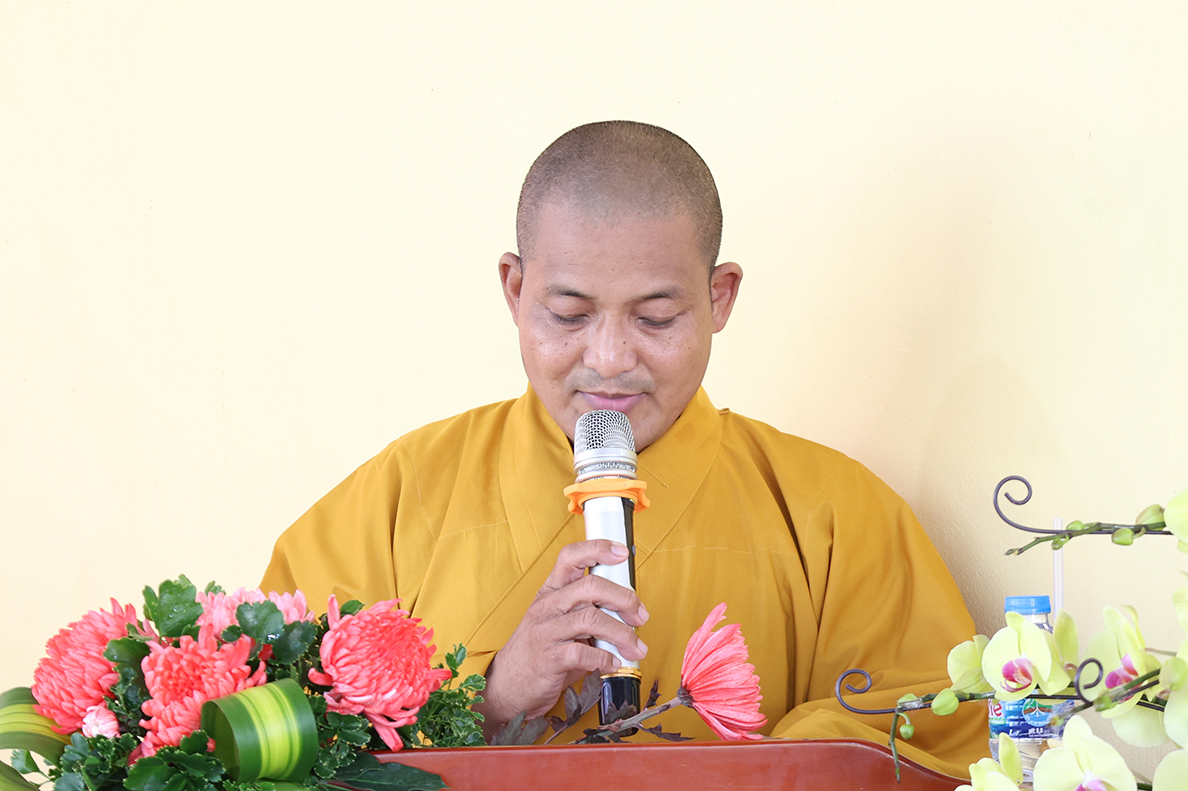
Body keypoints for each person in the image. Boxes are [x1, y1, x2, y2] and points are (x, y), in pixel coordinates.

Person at [261, 121, 986, 775]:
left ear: (720, 298)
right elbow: (269, 733)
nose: (609, 360)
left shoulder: (833, 514)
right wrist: (490, 699)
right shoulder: (399, 499)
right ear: (515, 290)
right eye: (568, 314)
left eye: (656, 318)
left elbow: (934, 732)